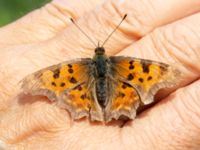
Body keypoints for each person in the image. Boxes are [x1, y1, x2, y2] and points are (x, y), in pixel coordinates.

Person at [0, 0, 200, 149]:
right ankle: (108, 105)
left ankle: (97, 106)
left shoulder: (72, 68)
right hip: (119, 90)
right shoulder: (129, 65)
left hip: (86, 89)